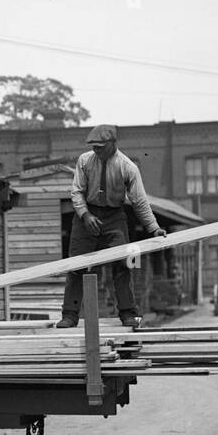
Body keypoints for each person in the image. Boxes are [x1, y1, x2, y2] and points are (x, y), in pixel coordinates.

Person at [57, 124, 166, 329]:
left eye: (100, 146)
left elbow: (139, 201)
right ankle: (70, 316)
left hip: (114, 217)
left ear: (112, 144)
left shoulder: (128, 167)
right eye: (94, 146)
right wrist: (85, 215)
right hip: (86, 215)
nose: (96, 150)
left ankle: (127, 314)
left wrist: (154, 228)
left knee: (123, 264)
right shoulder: (84, 161)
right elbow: (77, 192)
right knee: (75, 266)